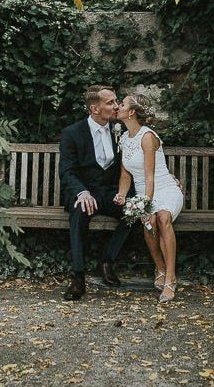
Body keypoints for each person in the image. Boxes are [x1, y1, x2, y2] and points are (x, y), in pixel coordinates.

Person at [59, 85, 132, 301]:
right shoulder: (72, 133)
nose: (116, 106)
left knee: (133, 212)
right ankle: (78, 276)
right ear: (95, 109)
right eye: (110, 102)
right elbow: (66, 171)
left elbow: (132, 164)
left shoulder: (120, 131)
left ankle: (107, 261)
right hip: (85, 191)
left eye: (116, 101)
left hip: (110, 192)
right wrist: (81, 192)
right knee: (79, 212)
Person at [113, 94, 184, 303]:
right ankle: (159, 267)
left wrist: (145, 202)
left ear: (132, 112)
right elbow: (126, 174)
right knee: (149, 223)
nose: (118, 106)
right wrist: (122, 195)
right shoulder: (124, 138)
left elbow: (150, 175)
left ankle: (170, 278)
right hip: (144, 191)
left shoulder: (148, 136)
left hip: (164, 188)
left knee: (161, 218)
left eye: (122, 104)